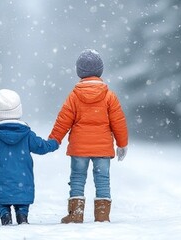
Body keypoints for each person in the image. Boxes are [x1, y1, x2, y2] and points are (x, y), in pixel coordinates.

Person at [49, 49, 129, 223]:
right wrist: (122, 144)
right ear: (100, 70)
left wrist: (54, 139)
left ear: (79, 72)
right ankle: (102, 215)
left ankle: (76, 214)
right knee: (103, 180)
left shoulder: (74, 96)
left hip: (79, 148)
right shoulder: (109, 96)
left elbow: (63, 120)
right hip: (102, 148)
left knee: (77, 179)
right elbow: (119, 121)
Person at [0, 89, 59, 225]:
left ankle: (5, 216)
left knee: (3, 201)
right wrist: (54, 143)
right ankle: (22, 216)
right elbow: (41, 147)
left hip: (0, 179)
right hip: (23, 178)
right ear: (19, 109)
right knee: (22, 200)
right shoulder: (27, 134)